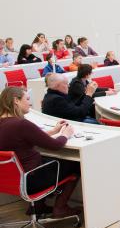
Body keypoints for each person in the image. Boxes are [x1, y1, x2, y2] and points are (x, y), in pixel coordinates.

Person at [0, 87, 81, 218]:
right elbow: (56, 145)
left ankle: (38, 207)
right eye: (27, 99)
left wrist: (54, 131)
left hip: (11, 181)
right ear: (16, 100)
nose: (30, 103)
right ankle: (60, 208)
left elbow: (28, 137)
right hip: (32, 180)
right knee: (74, 165)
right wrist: (66, 134)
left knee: (43, 159)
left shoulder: (6, 124)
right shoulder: (21, 124)